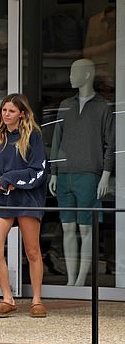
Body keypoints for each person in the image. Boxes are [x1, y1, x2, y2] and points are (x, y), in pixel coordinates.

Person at [0, 93, 48, 318]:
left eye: (11, 110)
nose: (6, 114)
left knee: (32, 250)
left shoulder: (33, 136)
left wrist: (9, 178)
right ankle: (7, 298)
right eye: (4, 110)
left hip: (28, 199)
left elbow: (38, 170)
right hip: (3, 200)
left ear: (22, 113)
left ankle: (37, 300)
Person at [48, 58, 115, 287]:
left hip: (89, 175)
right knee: (67, 227)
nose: (69, 76)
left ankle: (81, 280)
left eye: (74, 72)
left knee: (86, 228)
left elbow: (110, 144)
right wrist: (54, 172)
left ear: (87, 75)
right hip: (65, 174)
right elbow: (57, 140)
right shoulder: (65, 105)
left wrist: (106, 173)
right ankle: (70, 280)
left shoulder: (103, 107)